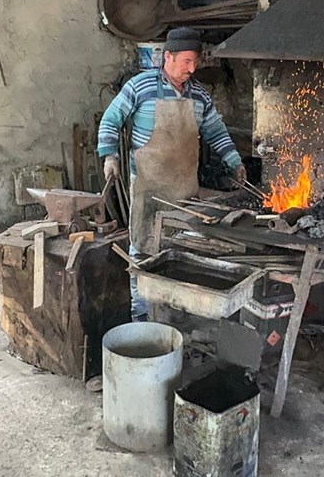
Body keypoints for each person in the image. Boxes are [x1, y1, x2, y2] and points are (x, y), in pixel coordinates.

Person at [97, 28, 245, 320]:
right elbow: (111, 120)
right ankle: (141, 315)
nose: (192, 68)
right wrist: (109, 155)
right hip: (148, 187)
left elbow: (216, 133)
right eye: (187, 61)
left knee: (179, 252)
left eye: (196, 62)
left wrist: (235, 162)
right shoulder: (140, 87)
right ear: (168, 57)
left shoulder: (200, 96)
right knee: (142, 249)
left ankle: (176, 314)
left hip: (184, 191)